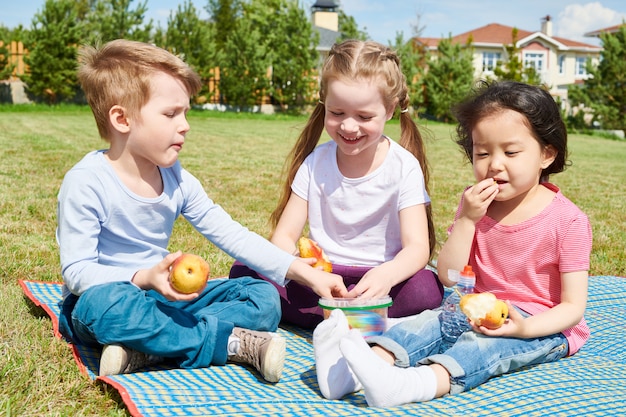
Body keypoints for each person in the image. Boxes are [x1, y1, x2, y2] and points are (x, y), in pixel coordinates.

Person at [56, 39, 347, 383]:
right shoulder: (87, 182)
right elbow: (77, 272)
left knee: (263, 296)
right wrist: (142, 278)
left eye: (185, 113)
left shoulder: (176, 178)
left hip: (165, 300)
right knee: (106, 308)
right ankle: (232, 344)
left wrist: (306, 274)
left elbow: (230, 233)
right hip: (110, 296)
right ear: (122, 119)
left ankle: (147, 349)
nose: (185, 125)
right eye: (170, 114)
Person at [313, 80, 592, 406]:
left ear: (547, 154)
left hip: (543, 325)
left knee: (481, 349)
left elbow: (573, 308)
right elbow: (449, 275)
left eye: (511, 152)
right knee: (428, 323)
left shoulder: (568, 221)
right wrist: (468, 220)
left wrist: (524, 328)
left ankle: (417, 384)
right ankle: (353, 373)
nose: (494, 164)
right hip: (476, 307)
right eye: (482, 152)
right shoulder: (475, 205)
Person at [229, 39, 444, 328]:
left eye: (364, 116)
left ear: (390, 109)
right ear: (324, 104)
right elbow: (282, 238)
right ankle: (360, 320)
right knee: (245, 269)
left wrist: (387, 276)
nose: (348, 127)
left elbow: (417, 248)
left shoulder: (404, 166)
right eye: (337, 113)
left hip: (380, 282)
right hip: (322, 278)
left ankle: (332, 318)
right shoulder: (316, 162)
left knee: (425, 288)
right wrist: (307, 273)